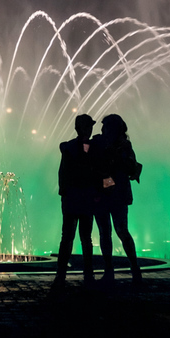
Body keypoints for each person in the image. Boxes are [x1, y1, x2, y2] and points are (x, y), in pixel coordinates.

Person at [92, 114, 143, 285]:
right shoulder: (102, 143)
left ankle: (131, 269)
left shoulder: (123, 146)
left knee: (119, 231)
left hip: (115, 193)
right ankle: (115, 270)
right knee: (108, 232)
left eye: (105, 126)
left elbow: (129, 167)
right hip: (107, 192)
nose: (102, 129)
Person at [53, 114, 97, 287]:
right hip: (84, 198)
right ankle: (88, 274)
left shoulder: (69, 147)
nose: (91, 129)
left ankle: (61, 275)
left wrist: (64, 194)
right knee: (85, 238)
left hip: (71, 199)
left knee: (68, 238)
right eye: (89, 126)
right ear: (84, 128)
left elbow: (62, 174)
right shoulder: (91, 148)